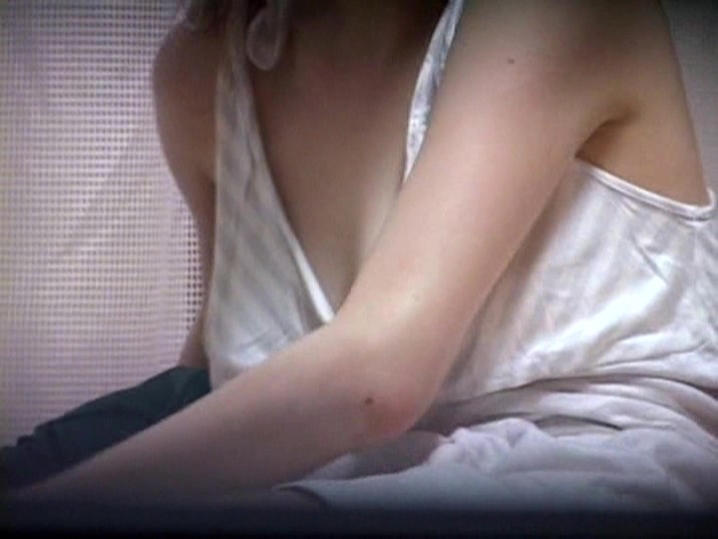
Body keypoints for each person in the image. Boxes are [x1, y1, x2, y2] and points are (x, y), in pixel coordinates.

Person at [3, 0, 717, 511]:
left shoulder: (548, 15)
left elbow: (375, 379)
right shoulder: (200, 73)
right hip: (338, 461)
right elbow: (223, 357)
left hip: (581, 462)